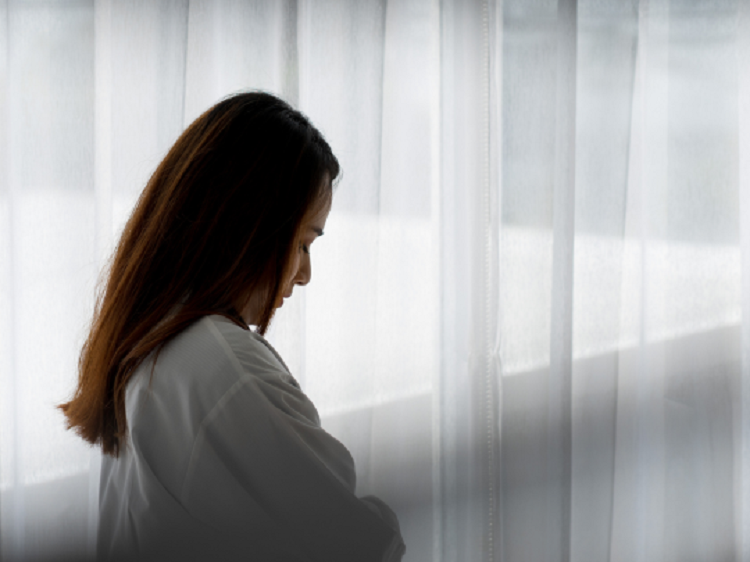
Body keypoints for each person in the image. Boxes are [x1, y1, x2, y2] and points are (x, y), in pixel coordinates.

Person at [59, 92, 406, 562]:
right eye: (303, 244)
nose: (305, 274)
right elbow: (359, 544)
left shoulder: (153, 341)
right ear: (249, 226)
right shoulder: (221, 368)